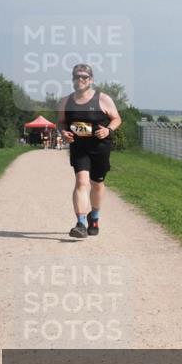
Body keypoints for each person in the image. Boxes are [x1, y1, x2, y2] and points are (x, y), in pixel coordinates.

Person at [57, 64, 122, 239]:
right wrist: (63, 132)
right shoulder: (66, 101)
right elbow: (61, 122)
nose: (80, 80)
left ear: (91, 80)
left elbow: (116, 118)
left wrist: (108, 130)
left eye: (84, 77)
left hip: (99, 147)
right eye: (77, 77)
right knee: (81, 181)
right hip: (79, 147)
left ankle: (94, 217)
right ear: (72, 79)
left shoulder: (103, 99)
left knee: (97, 183)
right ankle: (81, 223)